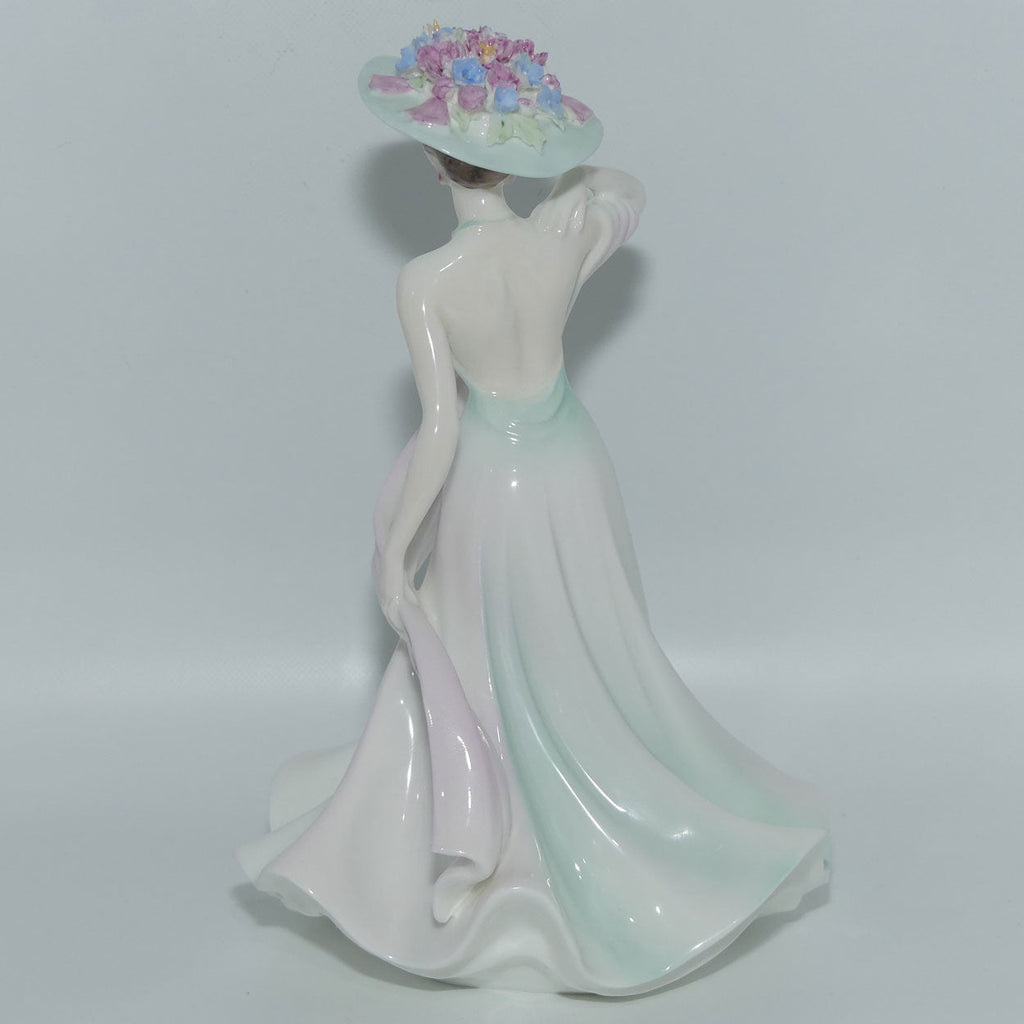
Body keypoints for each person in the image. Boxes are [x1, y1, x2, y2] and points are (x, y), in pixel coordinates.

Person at [239, 26, 829, 996]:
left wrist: (396, 544)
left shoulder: (428, 282)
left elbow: (440, 426)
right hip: (572, 467)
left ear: (433, 160)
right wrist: (570, 176)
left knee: (486, 661)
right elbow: (623, 190)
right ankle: (579, 827)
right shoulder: (558, 243)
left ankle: (500, 845)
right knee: (578, 654)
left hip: (491, 479)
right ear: (516, 155)